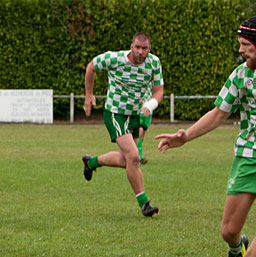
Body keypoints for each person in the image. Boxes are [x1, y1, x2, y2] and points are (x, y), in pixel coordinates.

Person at [156, 16, 256, 257]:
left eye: (246, 44)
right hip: (248, 157)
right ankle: (236, 247)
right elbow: (218, 114)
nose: (240, 50)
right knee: (228, 231)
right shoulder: (240, 75)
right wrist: (186, 136)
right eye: (239, 44)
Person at [82, 32, 163, 217]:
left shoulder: (154, 63)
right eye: (137, 47)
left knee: (123, 160)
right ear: (131, 46)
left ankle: (91, 162)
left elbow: (159, 91)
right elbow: (91, 66)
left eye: (144, 48)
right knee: (134, 157)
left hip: (134, 115)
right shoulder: (115, 58)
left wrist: (149, 106)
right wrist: (89, 95)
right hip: (115, 113)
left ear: (149, 49)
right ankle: (145, 204)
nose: (140, 52)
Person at [138, 89, 153, 165]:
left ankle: (135, 153)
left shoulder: (154, 81)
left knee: (142, 135)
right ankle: (139, 158)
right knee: (139, 133)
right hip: (139, 110)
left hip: (149, 112)